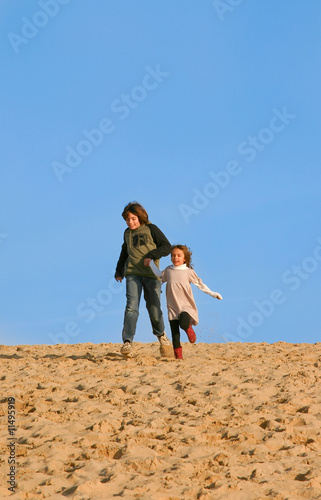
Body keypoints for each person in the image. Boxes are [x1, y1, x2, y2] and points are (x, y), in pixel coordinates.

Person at [115, 202, 171, 357]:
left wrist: (151, 256)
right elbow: (124, 253)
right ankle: (127, 342)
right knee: (131, 307)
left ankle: (162, 337)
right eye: (127, 219)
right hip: (133, 274)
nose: (130, 222)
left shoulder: (151, 229)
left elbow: (166, 247)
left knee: (154, 308)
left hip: (151, 275)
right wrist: (119, 271)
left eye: (133, 218)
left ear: (140, 216)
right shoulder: (127, 233)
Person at [146, 245, 222, 359]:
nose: (175, 257)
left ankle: (189, 329)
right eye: (173, 255)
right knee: (175, 333)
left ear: (184, 258)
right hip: (172, 306)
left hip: (186, 305)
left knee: (184, 323)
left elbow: (200, 285)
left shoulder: (188, 272)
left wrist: (213, 293)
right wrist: (151, 263)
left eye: (178, 255)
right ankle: (178, 357)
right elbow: (159, 275)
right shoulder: (168, 270)